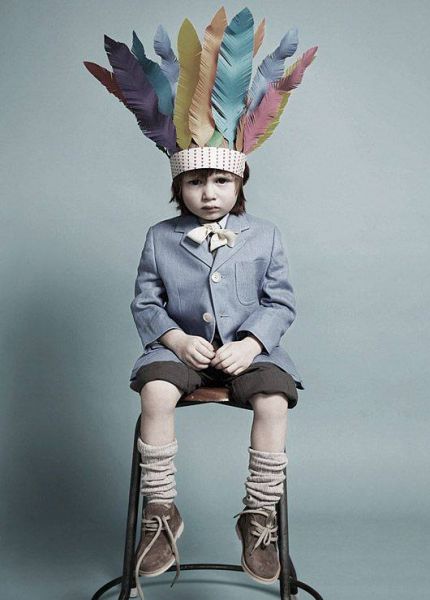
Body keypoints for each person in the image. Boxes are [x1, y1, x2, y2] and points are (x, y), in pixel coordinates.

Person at [84, 5, 317, 596]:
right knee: (156, 391)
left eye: (220, 181)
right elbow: (145, 303)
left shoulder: (266, 236)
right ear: (178, 186)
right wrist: (175, 340)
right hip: (179, 351)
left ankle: (258, 519)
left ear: (239, 184)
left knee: (273, 400)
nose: (208, 193)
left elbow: (281, 302)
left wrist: (252, 343)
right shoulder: (159, 238)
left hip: (250, 354)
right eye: (195, 182)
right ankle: (161, 516)